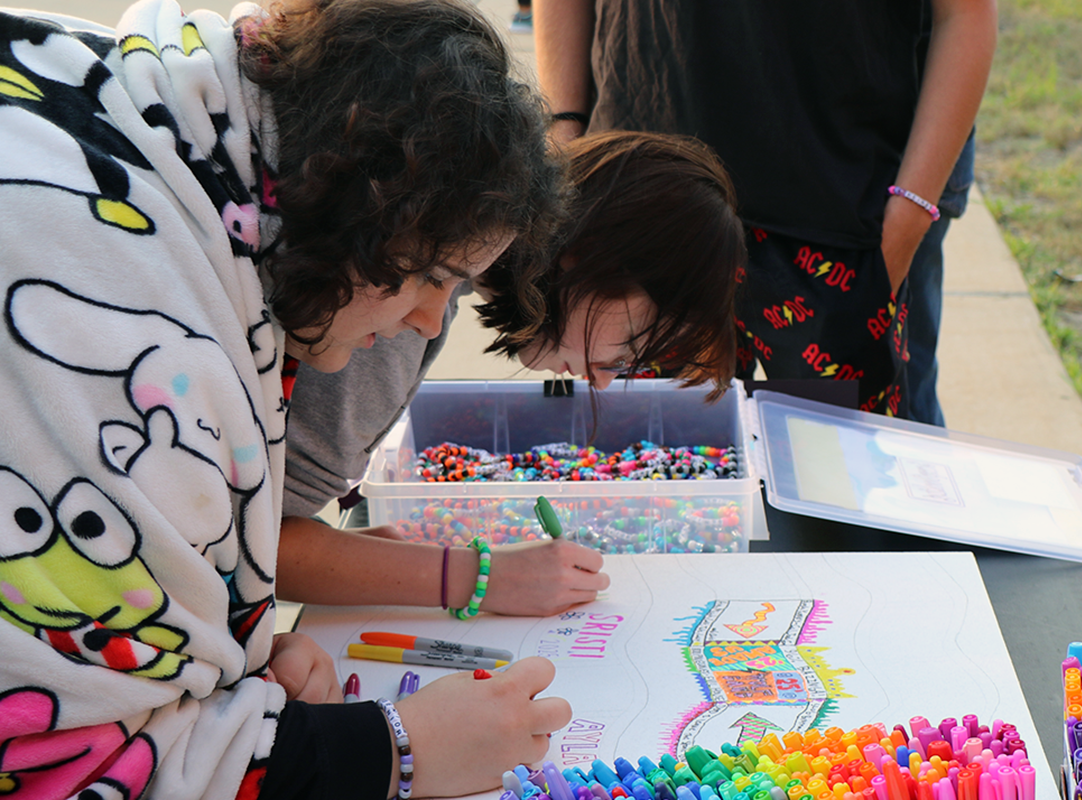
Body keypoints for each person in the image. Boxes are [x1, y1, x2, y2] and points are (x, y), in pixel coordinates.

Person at [0, 1, 571, 798]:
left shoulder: (175, 141)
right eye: (429, 276)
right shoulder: (128, 325)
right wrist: (396, 752)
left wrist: (230, 650)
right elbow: (66, 762)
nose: (429, 320)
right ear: (356, 218)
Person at [276, 129, 744, 610]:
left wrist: (373, 562)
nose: (604, 378)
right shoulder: (396, 311)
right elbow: (252, 548)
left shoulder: (439, 283)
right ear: (596, 260)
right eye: (625, 352)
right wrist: (481, 578)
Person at [534, 0, 997, 419]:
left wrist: (906, 222)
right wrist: (563, 145)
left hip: (844, 224)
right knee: (658, 475)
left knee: (851, 484)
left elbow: (966, 13)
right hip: (641, 222)